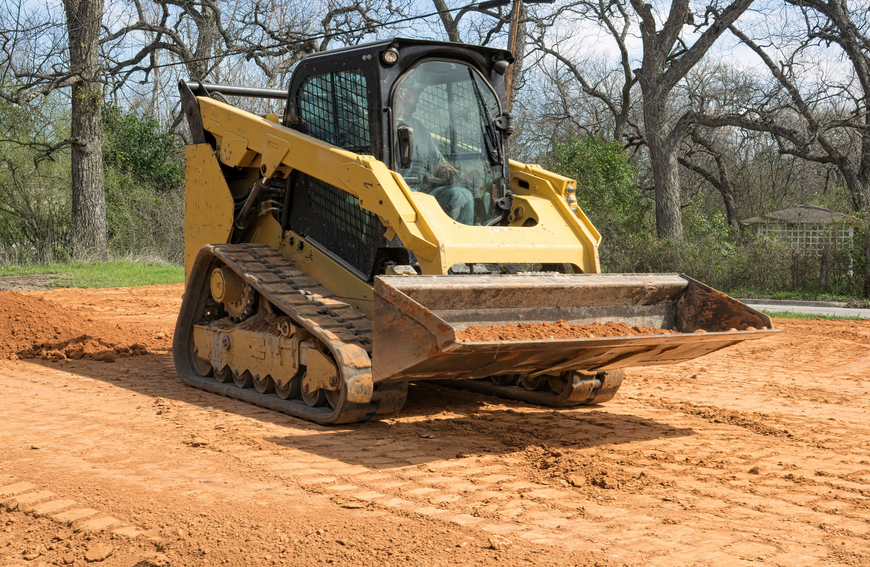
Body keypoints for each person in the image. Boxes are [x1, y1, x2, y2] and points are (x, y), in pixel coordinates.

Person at [394, 83, 475, 225]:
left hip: (420, 192)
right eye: (416, 92)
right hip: (395, 193)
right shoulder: (380, 125)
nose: (419, 96)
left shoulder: (418, 126)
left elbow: (438, 163)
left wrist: (460, 178)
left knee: (462, 195)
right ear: (402, 93)